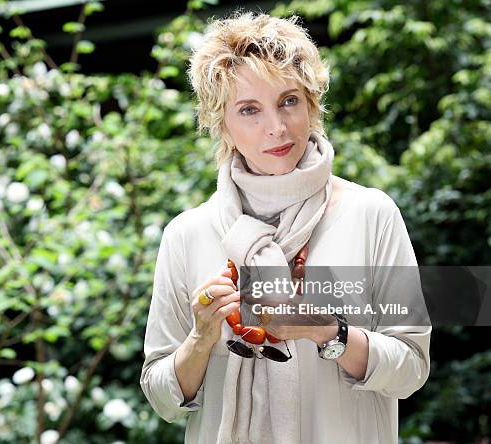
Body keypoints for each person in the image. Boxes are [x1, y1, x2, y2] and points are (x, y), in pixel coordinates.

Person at [140, 11, 430, 444]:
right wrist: (201, 337)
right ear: (222, 124)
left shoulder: (370, 214)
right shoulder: (188, 234)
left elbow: (411, 369)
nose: (276, 127)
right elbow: (162, 399)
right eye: (249, 110)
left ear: (312, 103)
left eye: (289, 101)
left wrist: (327, 333)